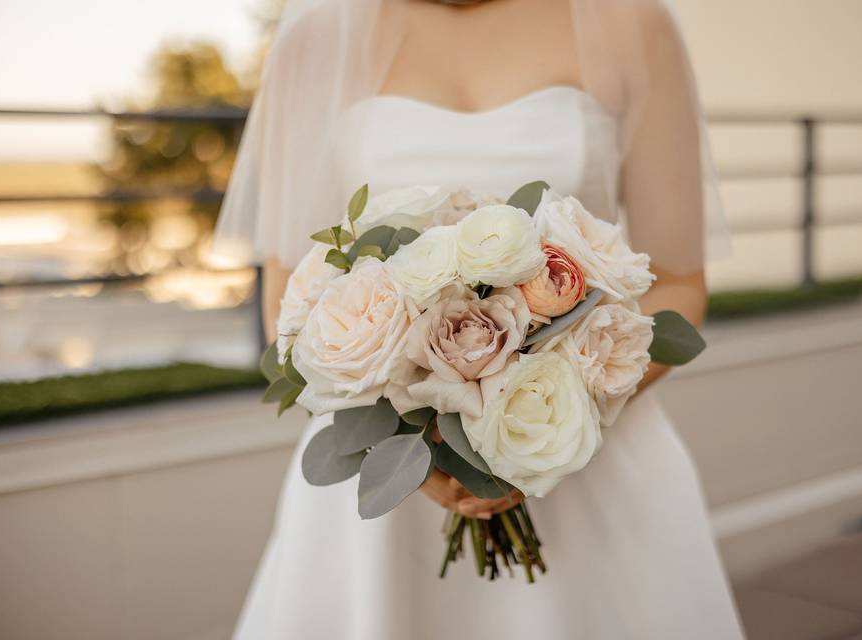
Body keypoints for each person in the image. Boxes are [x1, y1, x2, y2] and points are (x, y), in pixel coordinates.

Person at [214, 0, 744, 637]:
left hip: (585, 450)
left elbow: (680, 284)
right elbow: (289, 297)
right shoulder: (315, 38)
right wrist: (417, 448)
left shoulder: (631, 23)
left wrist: (541, 416)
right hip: (384, 479)